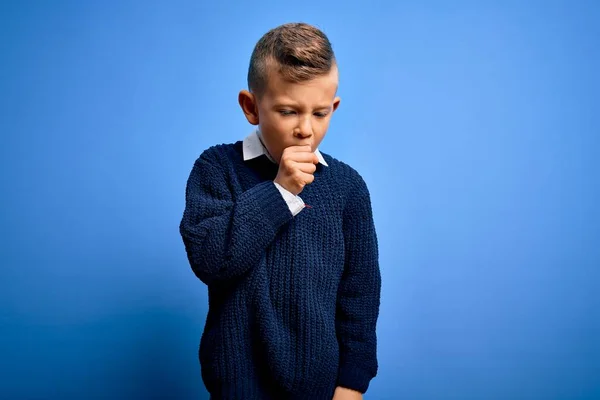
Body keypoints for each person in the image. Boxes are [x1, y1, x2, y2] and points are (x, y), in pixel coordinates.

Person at [179, 22, 381, 400]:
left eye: (320, 113)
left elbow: (360, 296)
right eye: (288, 111)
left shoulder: (348, 189)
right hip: (237, 387)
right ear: (251, 107)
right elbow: (210, 261)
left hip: (321, 391)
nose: (306, 129)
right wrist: (279, 191)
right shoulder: (216, 168)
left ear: (334, 106)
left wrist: (351, 385)